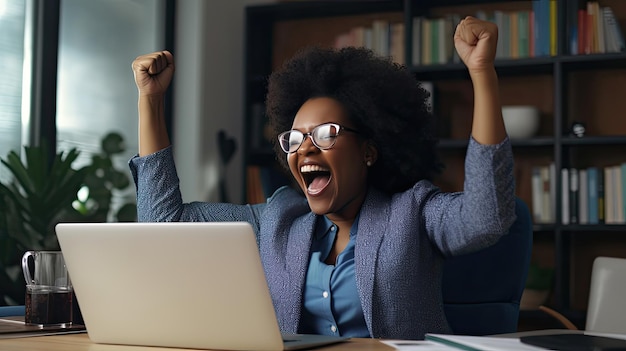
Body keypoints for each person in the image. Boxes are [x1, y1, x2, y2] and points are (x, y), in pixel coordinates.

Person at [129, 16, 515, 340]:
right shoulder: (278, 220)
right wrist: (151, 101)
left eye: (327, 133)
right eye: (294, 139)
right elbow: (163, 225)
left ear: (368, 150)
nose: (305, 149)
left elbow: (486, 216)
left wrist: (482, 73)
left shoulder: (412, 213)